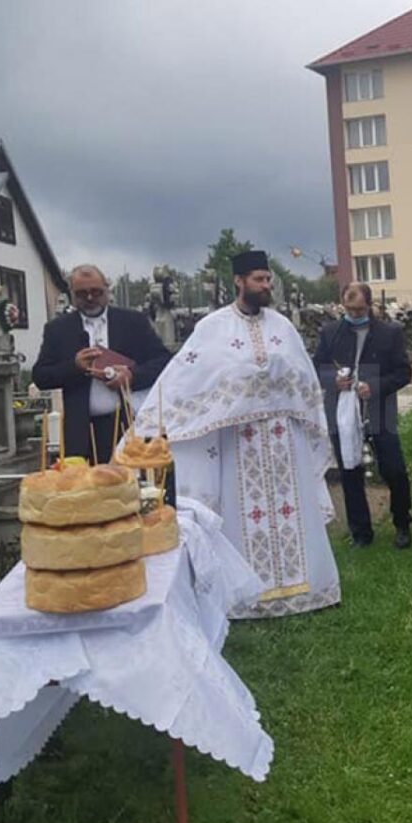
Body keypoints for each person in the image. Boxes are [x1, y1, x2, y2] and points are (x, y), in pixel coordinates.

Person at [132, 251, 340, 617]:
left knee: (294, 510)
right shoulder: (212, 328)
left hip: (283, 441)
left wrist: (278, 375)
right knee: (241, 517)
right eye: (259, 279)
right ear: (239, 282)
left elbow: (303, 376)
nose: (266, 286)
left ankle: (308, 589)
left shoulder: (283, 327)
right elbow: (190, 378)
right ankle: (250, 595)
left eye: (268, 279)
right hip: (238, 441)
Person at [32, 264, 172, 463]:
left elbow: (163, 361)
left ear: (107, 289)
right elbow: (40, 376)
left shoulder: (132, 322)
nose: (90, 298)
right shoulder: (58, 329)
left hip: (127, 423)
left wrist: (132, 376)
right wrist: (75, 367)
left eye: (96, 292)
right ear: (71, 293)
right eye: (82, 294)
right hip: (80, 431)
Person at [313, 282, 412, 549]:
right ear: (341, 303)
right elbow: (316, 368)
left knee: (394, 470)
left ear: (369, 305)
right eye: (349, 309)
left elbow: (404, 373)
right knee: (350, 472)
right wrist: (333, 380)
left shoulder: (390, 333)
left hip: (378, 412)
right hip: (342, 414)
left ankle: (402, 524)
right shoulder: (330, 332)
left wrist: (376, 386)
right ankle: (360, 533)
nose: (354, 314)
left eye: (359, 309)